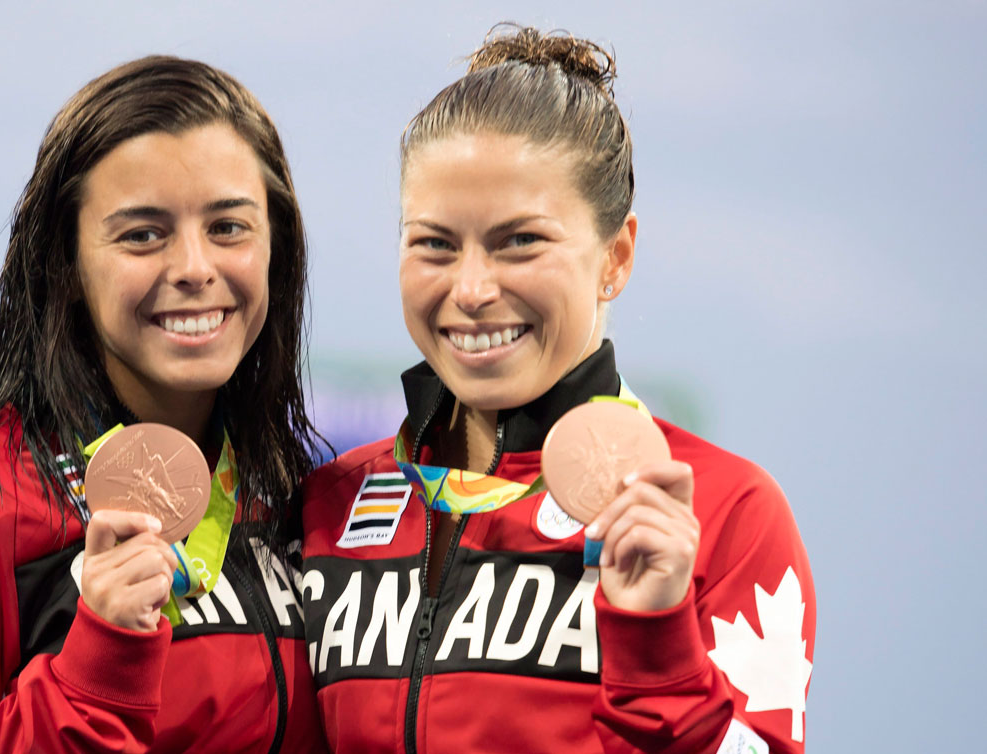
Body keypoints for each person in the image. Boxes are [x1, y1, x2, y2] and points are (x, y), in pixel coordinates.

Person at [300, 25, 815, 753]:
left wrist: (657, 649)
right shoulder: (328, 504)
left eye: (521, 242)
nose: (472, 289)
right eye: (434, 244)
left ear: (616, 257)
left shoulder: (724, 512)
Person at [0, 55, 328, 753]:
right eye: (142, 235)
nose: (195, 267)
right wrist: (93, 671)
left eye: (228, 227)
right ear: (65, 267)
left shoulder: (293, 496)